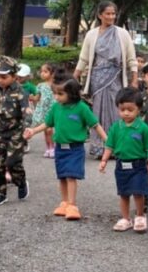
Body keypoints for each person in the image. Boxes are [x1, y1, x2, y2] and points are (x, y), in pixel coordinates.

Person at [25, 77, 107, 221]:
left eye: (60, 94)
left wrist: (107, 140)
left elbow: (95, 124)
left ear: (72, 93)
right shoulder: (56, 107)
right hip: (59, 149)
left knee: (71, 176)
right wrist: (33, 131)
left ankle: (72, 205)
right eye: (55, 93)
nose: (56, 97)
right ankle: (64, 203)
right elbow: (47, 123)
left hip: (75, 149)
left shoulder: (82, 107)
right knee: (62, 176)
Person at [74, 1, 139, 160]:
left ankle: (118, 148)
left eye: (113, 14)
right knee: (98, 112)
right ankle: (100, 148)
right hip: (97, 80)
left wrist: (134, 79)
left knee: (117, 111)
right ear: (100, 15)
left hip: (116, 79)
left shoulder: (122, 34)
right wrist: (75, 77)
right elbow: (84, 58)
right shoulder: (91, 35)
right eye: (108, 14)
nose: (111, 17)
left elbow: (131, 58)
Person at [99, 87, 148, 233]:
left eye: (130, 109)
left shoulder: (143, 128)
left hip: (139, 165)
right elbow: (109, 145)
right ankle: (125, 218)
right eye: (122, 109)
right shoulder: (115, 127)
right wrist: (104, 160)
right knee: (123, 193)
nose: (126, 113)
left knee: (138, 192)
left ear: (138, 109)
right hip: (121, 165)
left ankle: (140, 216)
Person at [0, 56, 32, 206]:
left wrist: (27, 128)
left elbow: (27, 112)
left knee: (12, 162)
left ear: (13, 76)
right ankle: (1, 192)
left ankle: (21, 181)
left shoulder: (20, 92)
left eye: (4, 77)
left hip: (16, 133)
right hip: (0, 132)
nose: (0, 80)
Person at [32, 62, 57, 158]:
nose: (42, 73)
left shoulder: (56, 85)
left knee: (50, 130)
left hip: (52, 110)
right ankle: (48, 148)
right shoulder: (40, 85)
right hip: (44, 110)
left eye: (45, 71)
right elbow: (37, 98)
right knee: (46, 131)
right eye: (41, 71)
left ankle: (53, 147)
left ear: (52, 73)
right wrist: (32, 98)